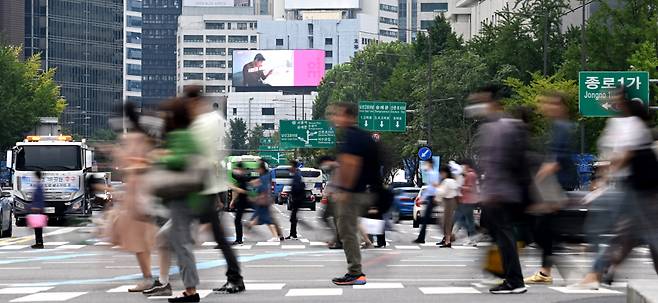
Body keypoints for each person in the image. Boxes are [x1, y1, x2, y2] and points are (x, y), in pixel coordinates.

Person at [569, 91, 658, 290]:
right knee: (630, 236)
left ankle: (595, 273)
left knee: (607, 230)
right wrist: (601, 178)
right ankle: (597, 273)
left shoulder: (632, 124)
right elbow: (613, 155)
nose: (610, 102)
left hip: (638, 189)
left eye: (616, 98)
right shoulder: (623, 124)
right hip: (634, 187)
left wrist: (602, 180)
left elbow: (623, 155)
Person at [183, 86, 245, 294]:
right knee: (215, 234)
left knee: (175, 232)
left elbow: (198, 157)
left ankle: (171, 279)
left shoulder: (200, 125)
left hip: (202, 187)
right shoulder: (215, 120)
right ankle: (234, 276)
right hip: (208, 186)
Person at [468, 85, 528, 294]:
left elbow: (501, 163)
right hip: (501, 192)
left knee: (504, 236)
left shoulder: (499, 127)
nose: (478, 106)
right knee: (500, 234)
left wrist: (492, 193)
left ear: (493, 103)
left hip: (501, 193)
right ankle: (506, 274)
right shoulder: (499, 126)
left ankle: (513, 280)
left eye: (481, 101)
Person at [524, 92, 578, 285]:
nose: (546, 107)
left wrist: (536, 181)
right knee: (547, 228)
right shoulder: (559, 126)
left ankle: (552, 268)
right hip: (557, 183)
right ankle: (547, 271)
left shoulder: (561, 127)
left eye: (551, 104)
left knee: (541, 228)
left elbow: (556, 161)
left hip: (557, 184)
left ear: (562, 106)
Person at [328, 102, 381, 286]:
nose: (335, 118)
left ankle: (355, 273)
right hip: (365, 191)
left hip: (354, 193)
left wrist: (345, 190)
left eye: (338, 114)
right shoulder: (361, 136)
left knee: (347, 231)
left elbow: (351, 164)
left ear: (349, 116)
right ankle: (355, 271)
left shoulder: (352, 137)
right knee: (348, 230)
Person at [157, 98, 203, 303]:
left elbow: (179, 160)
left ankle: (190, 291)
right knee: (166, 238)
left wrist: (160, 157)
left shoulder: (180, 136)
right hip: (185, 197)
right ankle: (179, 285)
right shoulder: (187, 135)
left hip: (182, 197)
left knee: (180, 243)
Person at [112, 102, 158, 293]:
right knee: (143, 238)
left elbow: (125, 164)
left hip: (137, 194)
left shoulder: (131, 139)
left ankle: (149, 278)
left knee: (137, 238)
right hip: (145, 192)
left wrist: (117, 154)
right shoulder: (147, 138)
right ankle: (153, 276)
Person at [247, 161, 280, 241]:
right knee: (257, 218)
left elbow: (264, 188)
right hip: (263, 202)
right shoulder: (266, 176)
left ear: (261, 169)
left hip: (263, 202)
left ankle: (276, 237)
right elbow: (258, 183)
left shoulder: (264, 177)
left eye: (258, 169)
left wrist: (257, 197)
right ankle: (246, 232)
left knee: (267, 220)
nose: (257, 170)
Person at [413, 159, 440, 244]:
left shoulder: (433, 174)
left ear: (430, 164)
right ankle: (421, 238)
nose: (425, 166)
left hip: (433, 198)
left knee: (426, 219)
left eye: (426, 164)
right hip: (431, 198)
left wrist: (423, 198)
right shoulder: (432, 173)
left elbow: (433, 188)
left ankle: (421, 238)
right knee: (426, 219)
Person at [453, 160, 479, 246]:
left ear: (466, 166)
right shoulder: (471, 174)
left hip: (468, 201)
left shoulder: (470, 175)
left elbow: (471, 188)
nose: (462, 168)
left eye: (463, 166)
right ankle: (472, 238)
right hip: (467, 200)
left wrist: (460, 186)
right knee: (468, 220)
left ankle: (473, 237)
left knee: (464, 220)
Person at [436, 165, 460, 248]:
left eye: (441, 173)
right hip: (450, 201)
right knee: (446, 222)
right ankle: (448, 239)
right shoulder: (451, 181)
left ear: (445, 173)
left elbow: (442, 192)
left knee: (447, 222)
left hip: (449, 201)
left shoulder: (448, 181)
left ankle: (448, 240)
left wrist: (437, 189)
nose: (441, 175)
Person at [229, 162, 249, 245]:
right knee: (237, 220)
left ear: (241, 170)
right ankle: (239, 239)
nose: (236, 171)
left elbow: (244, 191)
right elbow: (237, 190)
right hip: (240, 201)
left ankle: (239, 239)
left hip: (243, 201)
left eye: (238, 169)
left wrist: (233, 187)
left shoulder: (244, 178)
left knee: (237, 220)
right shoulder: (240, 178)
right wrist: (233, 201)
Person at [286, 160, 304, 240]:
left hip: (297, 199)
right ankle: (293, 234)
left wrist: (292, 194)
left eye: (290, 166)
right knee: (293, 217)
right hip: (297, 198)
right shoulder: (296, 174)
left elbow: (297, 187)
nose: (289, 168)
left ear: (294, 167)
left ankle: (293, 234)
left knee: (293, 217)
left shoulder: (297, 175)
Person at [30, 171, 45, 249]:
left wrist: (36, 207)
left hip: (38, 210)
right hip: (39, 209)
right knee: (38, 228)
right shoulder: (39, 185)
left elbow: (39, 198)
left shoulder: (38, 186)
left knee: (38, 228)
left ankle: (39, 243)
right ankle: (39, 242)